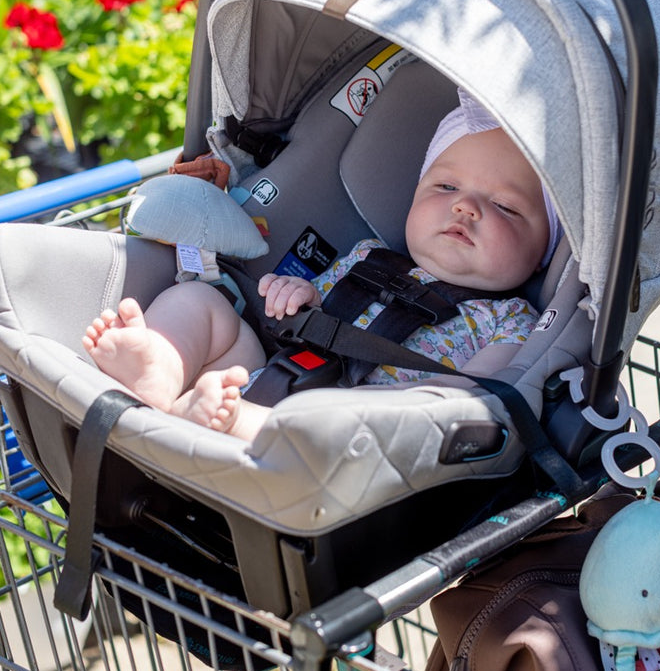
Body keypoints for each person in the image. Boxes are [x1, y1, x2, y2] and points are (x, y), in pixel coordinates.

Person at [83, 96, 560, 443]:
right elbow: (313, 305)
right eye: (446, 186)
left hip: (363, 434)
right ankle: (161, 367)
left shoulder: (512, 321)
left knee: (336, 424)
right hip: (272, 372)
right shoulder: (367, 256)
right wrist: (297, 295)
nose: (465, 208)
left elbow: (470, 400)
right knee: (203, 303)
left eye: (504, 206)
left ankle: (230, 423)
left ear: (545, 250)